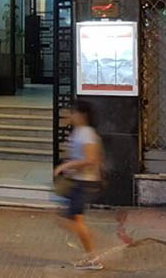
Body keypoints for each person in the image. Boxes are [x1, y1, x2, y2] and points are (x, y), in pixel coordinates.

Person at [54, 100, 104, 270]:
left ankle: (94, 256)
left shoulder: (87, 133)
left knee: (69, 220)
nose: (70, 116)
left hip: (85, 182)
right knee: (73, 219)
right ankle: (91, 254)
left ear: (82, 115)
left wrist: (66, 166)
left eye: (73, 112)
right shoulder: (78, 132)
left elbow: (91, 159)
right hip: (79, 181)